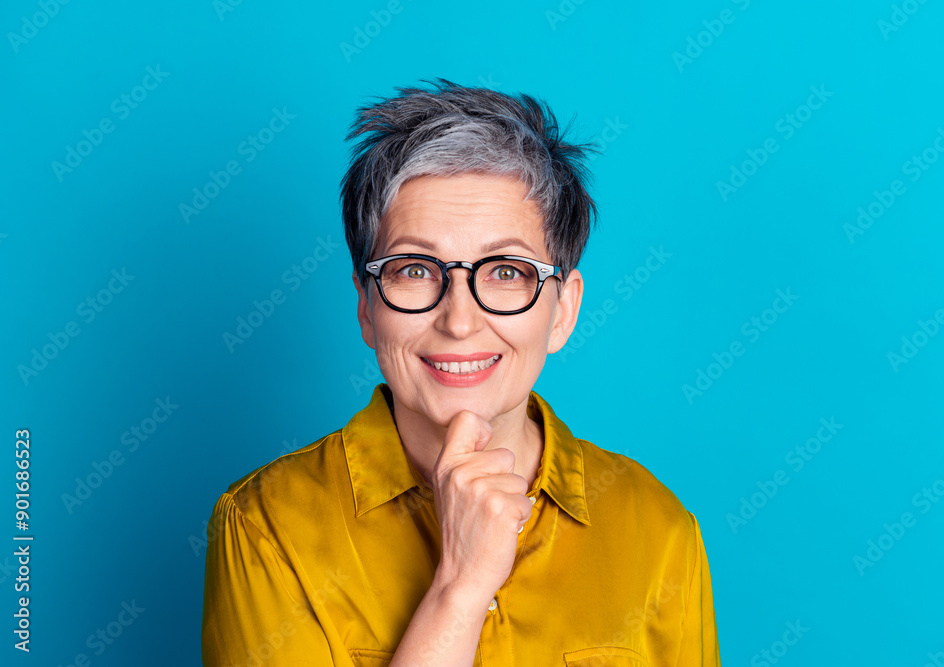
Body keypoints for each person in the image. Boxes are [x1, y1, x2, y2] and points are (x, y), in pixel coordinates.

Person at [202, 78, 720, 666]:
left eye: (505, 272)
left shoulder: (658, 529)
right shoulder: (266, 525)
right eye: (415, 270)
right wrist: (460, 589)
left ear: (563, 310)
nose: (460, 320)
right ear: (367, 308)